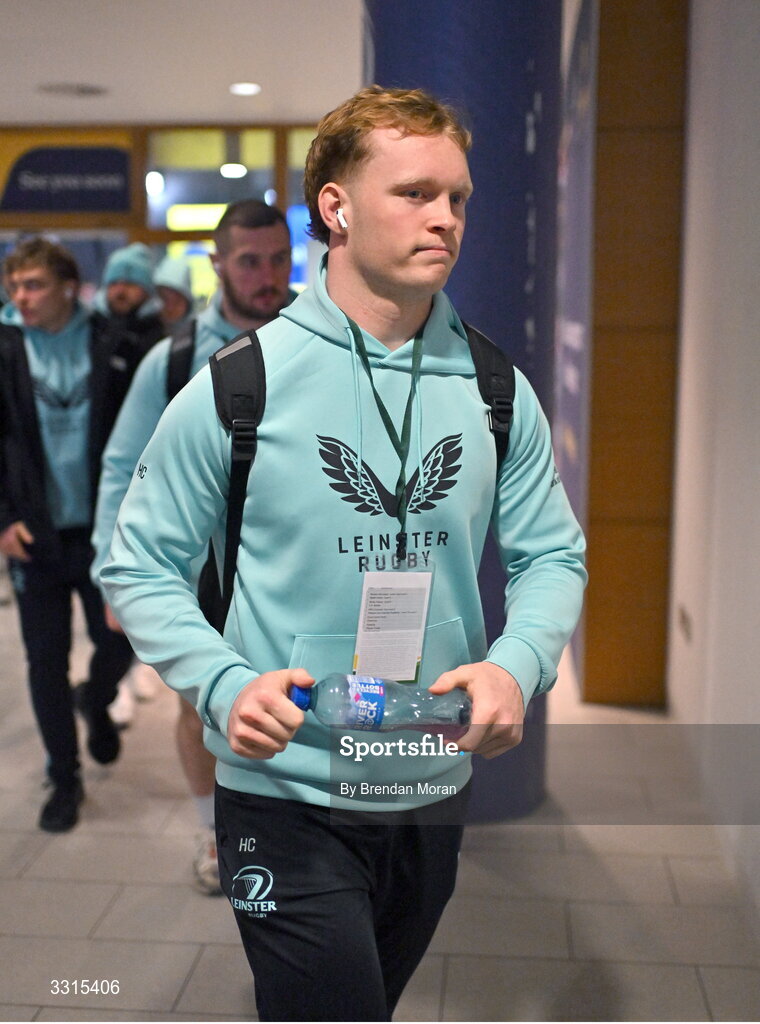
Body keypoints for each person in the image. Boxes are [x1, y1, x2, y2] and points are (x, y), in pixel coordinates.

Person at [101, 86, 587, 1021]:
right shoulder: (239, 387)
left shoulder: (495, 388)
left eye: (458, 197)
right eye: (414, 193)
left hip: (427, 781)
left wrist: (514, 666)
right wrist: (217, 679)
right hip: (283, 794)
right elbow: (139, 563)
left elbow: (552, 556)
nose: (445, 218)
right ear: (335, 207)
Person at [91, 199, 294, 893]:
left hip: (298, 572)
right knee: (198, 708)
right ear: (217, 265)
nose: (267, 276)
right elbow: (123, 469)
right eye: (249, 261)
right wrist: (114, 573)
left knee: (301, 700)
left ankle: (302, 833)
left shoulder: (322, 340)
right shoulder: (174, 360)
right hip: (202, 572)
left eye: (279, 259)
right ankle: (217, 835)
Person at [0, 237, 141, 833]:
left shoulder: (115, 343)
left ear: (66, 287)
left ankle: (99, 698)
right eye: (14, 287)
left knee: (124, 638)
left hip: (105, 531)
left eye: (32, 285)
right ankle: (65, 776)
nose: (20, 297)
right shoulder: (5, 348)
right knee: (44, 661)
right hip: (35, 533)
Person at [91, 242, 165, 357]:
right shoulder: (89, 329)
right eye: (114, 283)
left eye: (129, 283)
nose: (120, 291)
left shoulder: (161, 339)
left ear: (147, 291)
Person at [154, 254, 194, 332]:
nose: (170, 308)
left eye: (176, 302)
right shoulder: (145, 330)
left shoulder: (198, 334)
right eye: (164, 299)